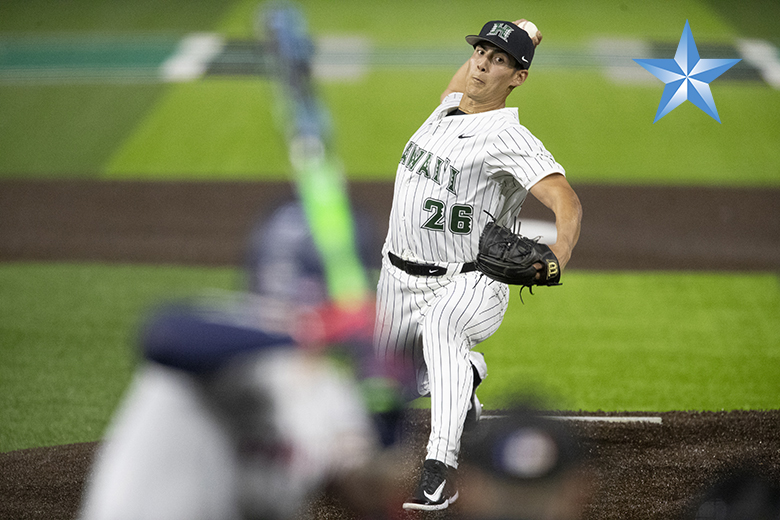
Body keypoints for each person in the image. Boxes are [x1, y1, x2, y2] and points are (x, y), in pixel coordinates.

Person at [372, 19, 582, 511]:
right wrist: (519, 37)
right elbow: (463, 83)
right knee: (379, 396)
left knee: (444, 327)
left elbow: (566, 202)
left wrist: (559, 255)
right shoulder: (445, 108)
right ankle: (462, 389)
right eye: (481, 53)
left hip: (467, 279)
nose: (484, 64)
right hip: (394, 279)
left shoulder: (508, 136)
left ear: (518, 78)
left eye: (499, 60)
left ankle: (440, 468)